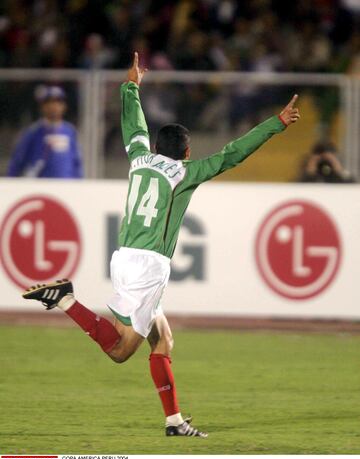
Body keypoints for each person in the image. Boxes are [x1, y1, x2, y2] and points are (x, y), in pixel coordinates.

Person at [23, 53, 300, 437]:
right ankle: (65, 299)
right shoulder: (186, 173)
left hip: (124, 256)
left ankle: (174, 421)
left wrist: (130, 87)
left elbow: (132, 125)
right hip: (149, 267)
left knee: (163, 339)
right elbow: (232, 153)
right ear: (186, 152)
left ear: (156, 146)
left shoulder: (139, 158)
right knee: (120, 351)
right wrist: (276, 123)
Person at [7, 86, 83, 178]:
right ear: (42, 107)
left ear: (64, 106)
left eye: (58, 103)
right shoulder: (33, 132)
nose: (53, 107)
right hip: (40, 185)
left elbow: (76, 162)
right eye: (49, 103)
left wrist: (79, 183)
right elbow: (18, 161)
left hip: (65, 186)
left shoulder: (70, 131)